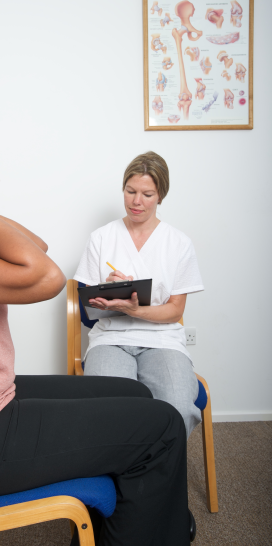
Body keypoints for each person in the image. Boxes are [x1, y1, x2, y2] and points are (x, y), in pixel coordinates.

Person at [0, 107, 193, 546]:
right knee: (161, 427)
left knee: (135, 393)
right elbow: (46, 277)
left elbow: (36, 248)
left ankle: (139, 522)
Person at [74, 151, 204, 438]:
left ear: (160, 196)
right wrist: (106, 294)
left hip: (163, 341)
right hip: (111, 339)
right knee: (112, 410)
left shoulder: (178, 243)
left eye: (147, 194)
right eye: (130, 191)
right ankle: (123, 478)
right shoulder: (102, 238)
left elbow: (174, 311)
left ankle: (158, 476)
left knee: (178, 408)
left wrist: (134, 309)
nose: (136, 201)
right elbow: (86, 316)